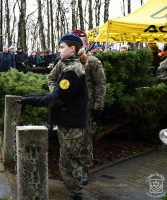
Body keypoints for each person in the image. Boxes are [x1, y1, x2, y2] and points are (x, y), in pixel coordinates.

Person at [18, 34, 88, 200]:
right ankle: (75, 193)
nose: (59, 50)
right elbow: (55, 90)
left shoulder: (72, 71)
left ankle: (77, 194)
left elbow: (54, 99)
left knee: (69, 162)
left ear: (72, 49)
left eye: (62, 47)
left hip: (71, 124)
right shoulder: (68, 65)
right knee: (68, 161)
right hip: (69, 121)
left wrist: (29, 99)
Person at [72, 29, 106, 185]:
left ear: (85, 44)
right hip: (71, 107)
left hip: (87, 107)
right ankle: (72, 167)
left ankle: (84, 169)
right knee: (71, 138)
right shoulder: (68, 61)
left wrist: (98, 107)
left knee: (85, 139)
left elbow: (100, 85)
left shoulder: (92, 61)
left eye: (80, 42)